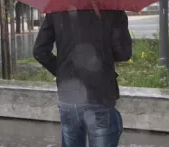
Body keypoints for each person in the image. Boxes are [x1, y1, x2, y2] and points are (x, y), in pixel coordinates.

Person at [33, 9, 132, 147]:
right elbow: (123, 53)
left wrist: (64, 72)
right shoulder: (112, 11)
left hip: (69, 97)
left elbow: (39, 51)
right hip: (100, 95)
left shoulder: (57, 10)